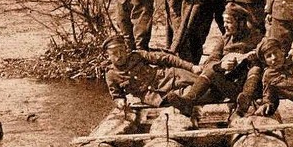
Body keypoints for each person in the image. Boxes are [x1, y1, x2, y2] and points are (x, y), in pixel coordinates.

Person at [104, 36, 245, 117]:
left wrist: (191, 67)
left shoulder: (137, 55)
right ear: (108, 56)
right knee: (204, 94)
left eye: (121, 50)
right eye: (115, 53)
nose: (120, 55)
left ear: (126, 50)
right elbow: (116, 95)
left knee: (204, 81)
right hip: (158, 95)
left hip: (171, 76)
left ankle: (236, 89)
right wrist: (120, 101)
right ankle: (234, 92)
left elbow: (166, 59)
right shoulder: (111, 75)